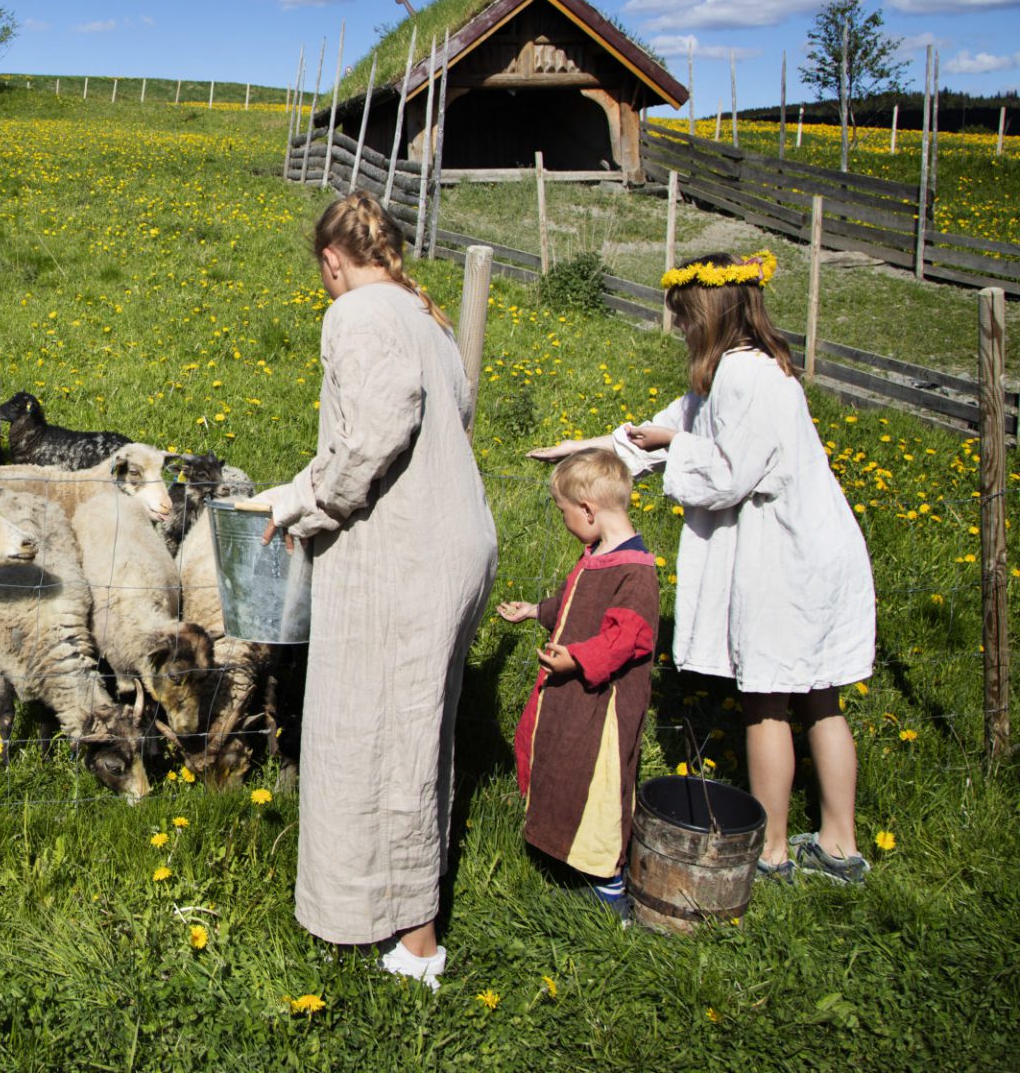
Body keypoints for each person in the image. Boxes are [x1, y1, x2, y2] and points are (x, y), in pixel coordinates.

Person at [530, 250, 875, 883]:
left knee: (767, 696)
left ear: (710, 313)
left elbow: (724, 473)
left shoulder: (742, 379)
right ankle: (839, 844)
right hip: (817, 547)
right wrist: (585, 447)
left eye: (686, 318)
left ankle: (768, 852)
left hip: (786, 555)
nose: (683, 330)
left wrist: (674, 447)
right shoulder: (761, 371)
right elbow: (659, 432)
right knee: (820, 695)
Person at [250, 191, 498, 989]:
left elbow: (378, 429)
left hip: (402, 554)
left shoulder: (356, 316)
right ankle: (392, 913)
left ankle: (411, 942)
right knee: (413, 729)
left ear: (332, 262)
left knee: (379, 736)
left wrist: (311, 503)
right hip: (450, 542)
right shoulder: (427, 320)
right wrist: (306, 487)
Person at [497, 449, 658, 913]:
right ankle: (565, 853)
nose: (565, 522)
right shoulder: (597, 555)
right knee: (563, 767)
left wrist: (578, 659)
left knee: (597, 783)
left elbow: (628, 638)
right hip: (574, 694)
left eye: (565, 513)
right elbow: (575, 603)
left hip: (602, 705)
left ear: (588, 509)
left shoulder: (636, 572)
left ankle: (608, 880)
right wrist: (536, 612)